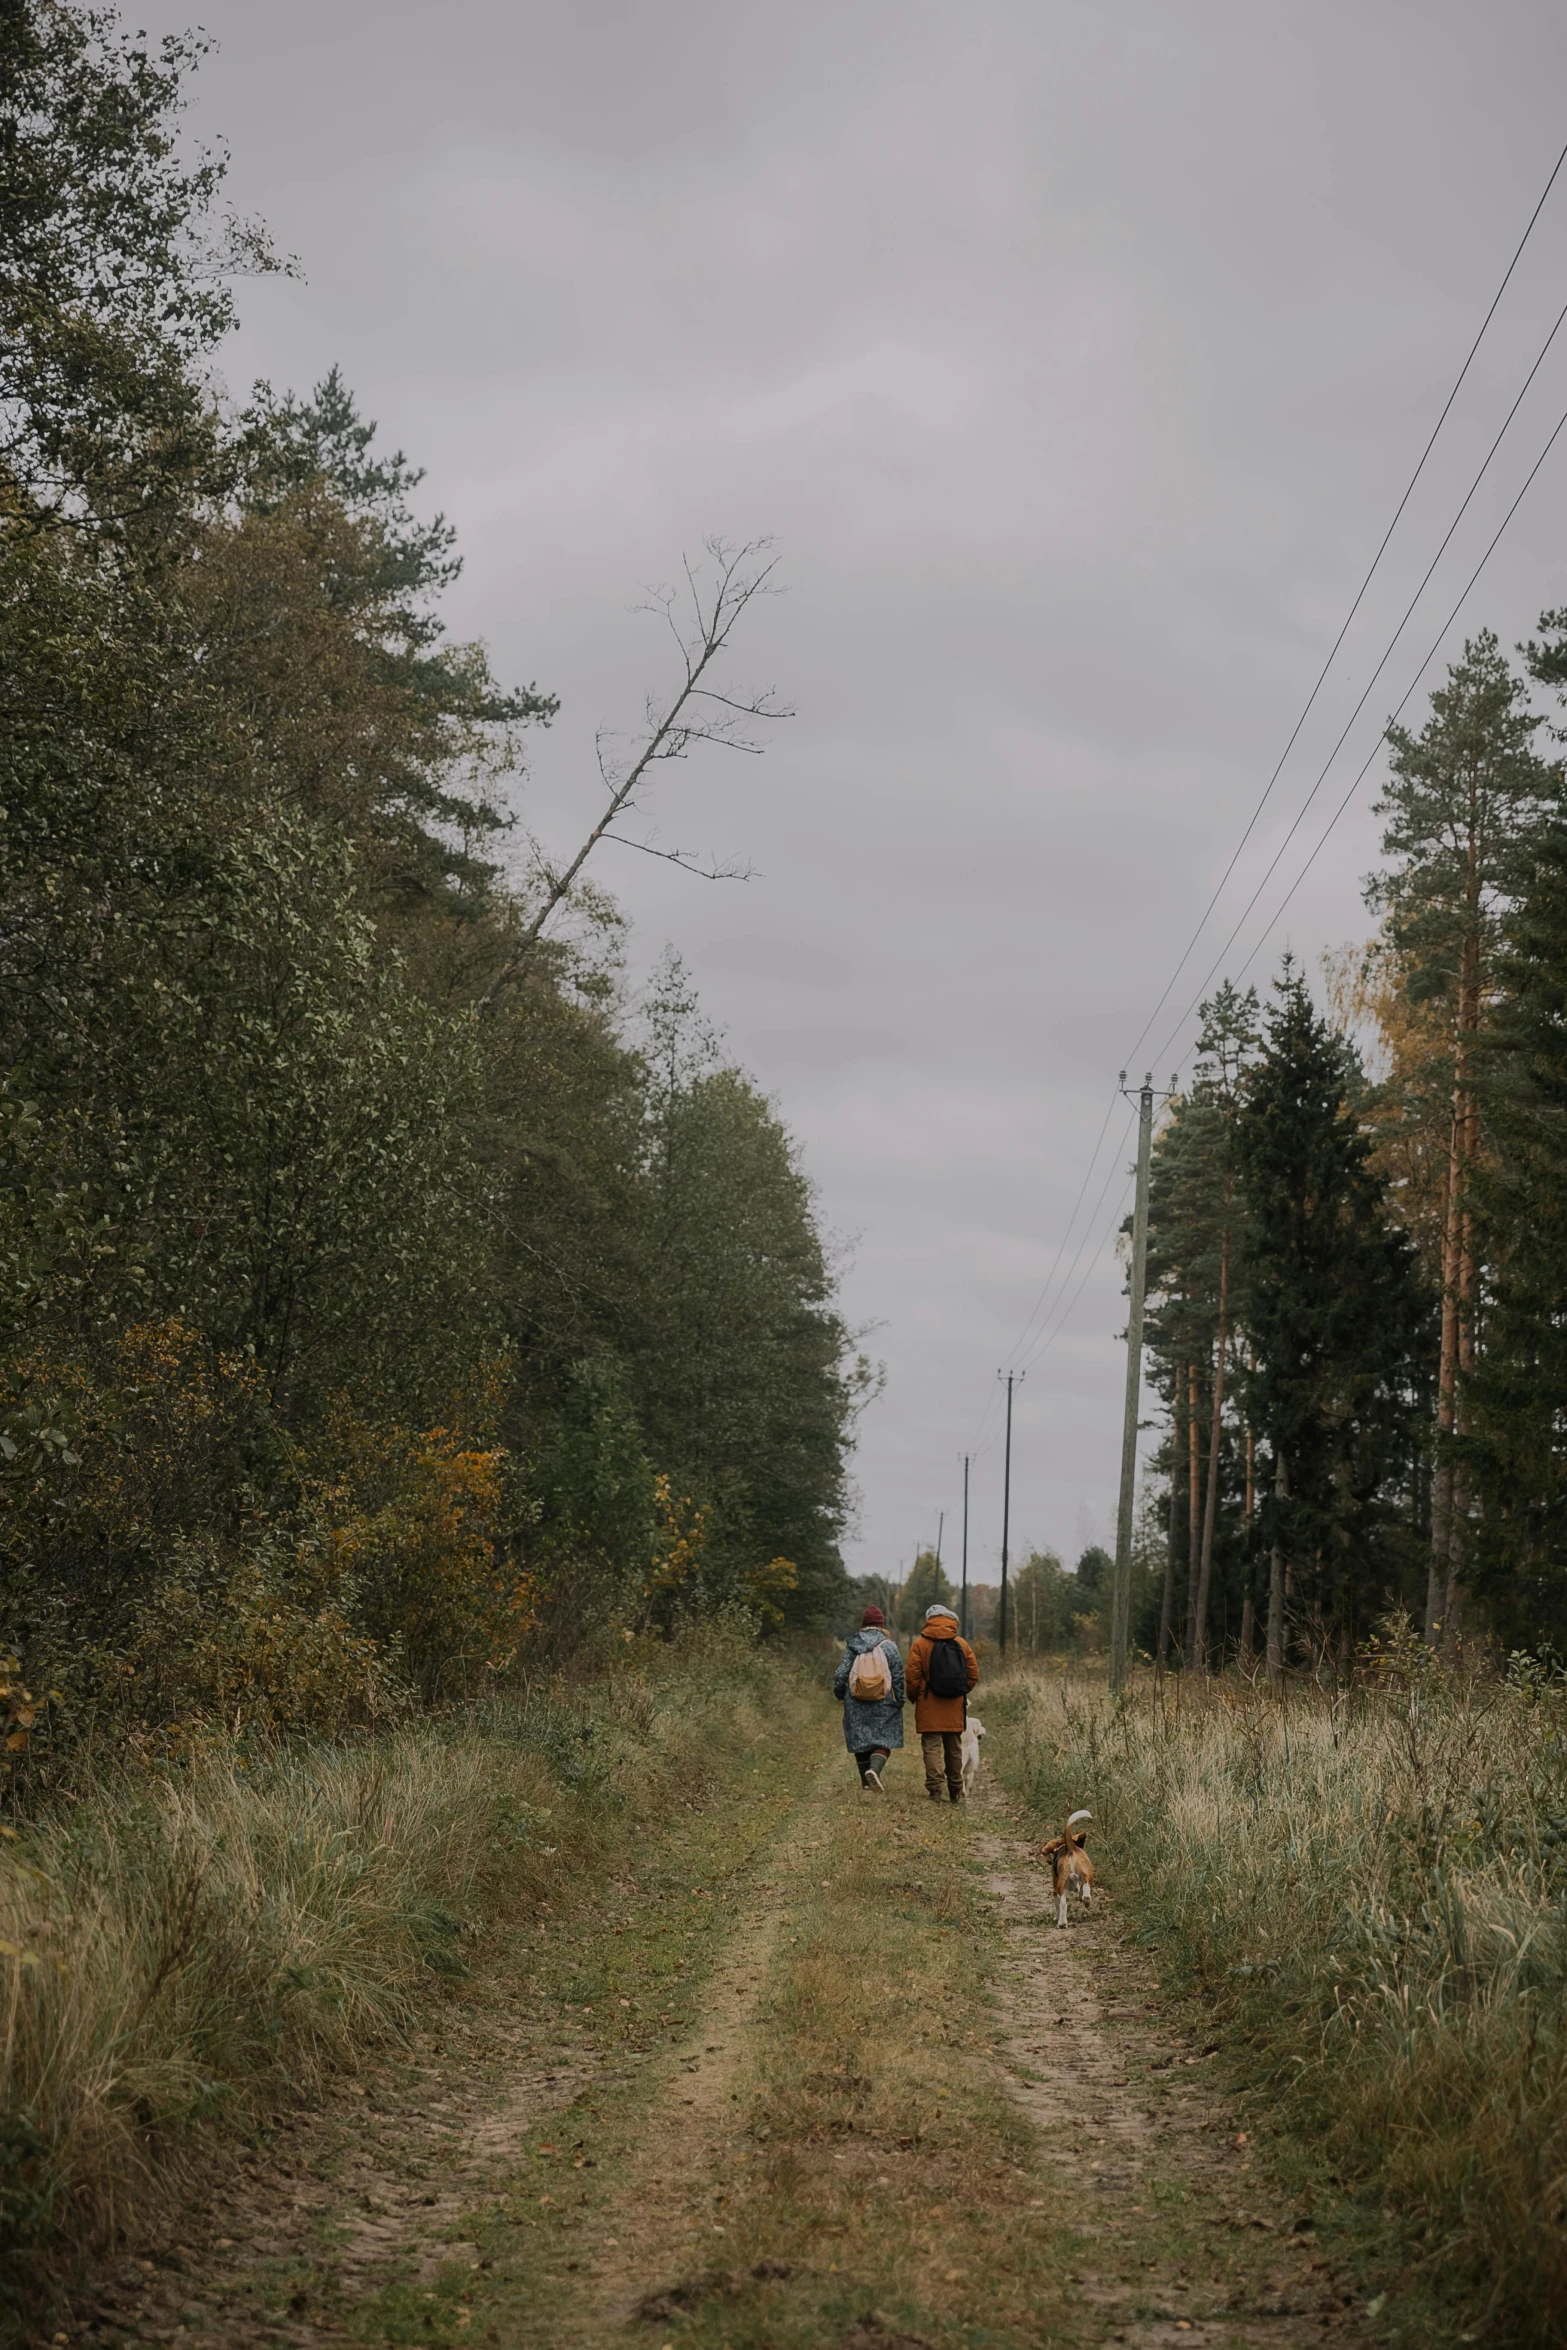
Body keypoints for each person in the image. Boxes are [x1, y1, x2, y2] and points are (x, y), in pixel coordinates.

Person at [905, 1600, 979, 1803]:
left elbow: (912, 1676)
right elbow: (973, 1674)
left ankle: (935, 1789)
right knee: (954, 1748)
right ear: (951, 1621)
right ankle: (955, 1789)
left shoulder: (920, 1644)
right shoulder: (962, 1644)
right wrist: (961, 1692)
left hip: (928, 1703)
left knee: (931, 1747)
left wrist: (915, 1696)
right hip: (955, 1705)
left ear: (929, 1621)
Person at [833, 1605, 905, 1791]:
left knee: (860, 1740)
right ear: (882, 1626)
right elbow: (897, 1676)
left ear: (863, 1625)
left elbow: (841, 1674)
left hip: (856, 1700)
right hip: (884, 1700)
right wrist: (899, 1699)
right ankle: (874, 1770)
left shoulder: (853, 1645)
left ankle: (866, 1784)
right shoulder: (890, 1647)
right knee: (884, 1739)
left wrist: (840, 1694)